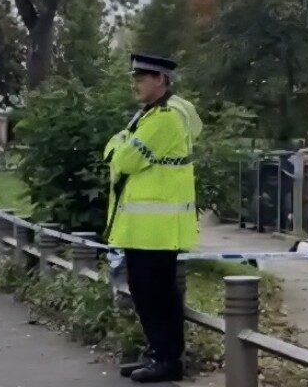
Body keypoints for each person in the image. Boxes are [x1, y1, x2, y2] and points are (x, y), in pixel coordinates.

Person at [105, 54, 202, 383]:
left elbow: (126, 159)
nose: (135, 83)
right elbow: (122, 151)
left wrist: (119, 144)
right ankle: (159, 352)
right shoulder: (154, 114)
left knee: (155, 293)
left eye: (141, 78)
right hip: (149, 227)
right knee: (149, 291)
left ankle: (167, 359)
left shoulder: (164, 118)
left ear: (160, 80)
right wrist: (121, 145)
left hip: (155, 227)